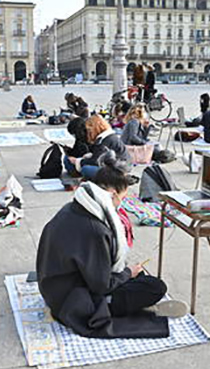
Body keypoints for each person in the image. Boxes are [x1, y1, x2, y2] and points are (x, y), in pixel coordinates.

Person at [37, 153, 187, 339]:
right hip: (73, 301)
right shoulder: (96, 229)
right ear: (114, 194)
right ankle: (111, 308)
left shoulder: (75, 207)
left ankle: (125, 299)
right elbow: (102, 285)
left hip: (54, 287)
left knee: (137, 275)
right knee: (155, 286)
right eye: (123, 197)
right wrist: (127, 274)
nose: (121, 203)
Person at [66, 115, 129, 180]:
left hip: (117, 170)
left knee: (86, 169)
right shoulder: (104, 138)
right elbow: (97, 156)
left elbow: (96, 161)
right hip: (114, 166)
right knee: (70, 160)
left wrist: (77, 161)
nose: (88, 132)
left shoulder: (106, 140)